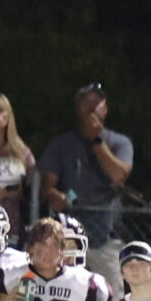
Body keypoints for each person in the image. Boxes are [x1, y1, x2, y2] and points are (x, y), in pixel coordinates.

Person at [37, 84, 138, 282]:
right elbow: (47, 186)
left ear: (105, 109)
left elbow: (118, 175)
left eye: (97, 102)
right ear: (78, 109)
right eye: (87, 102)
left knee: (111, 292)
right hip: (67, 236)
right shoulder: (61, 145)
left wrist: (96, 141)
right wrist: (54, 196)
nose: (92, 107)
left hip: (107, 235)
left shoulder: (120, 142)